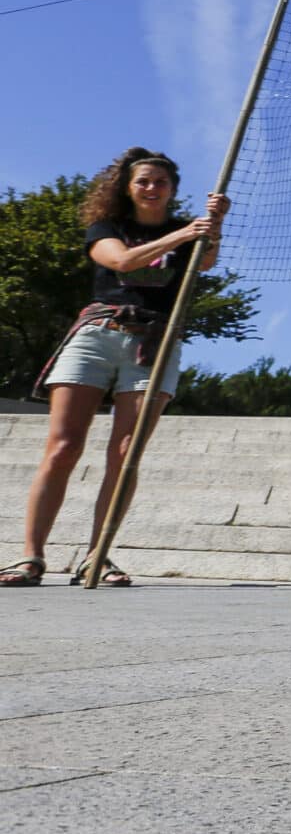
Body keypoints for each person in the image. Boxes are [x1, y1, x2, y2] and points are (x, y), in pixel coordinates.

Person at [6, 149, 229, 589]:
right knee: (63, 448)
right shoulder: (108, 228)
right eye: (143, 181)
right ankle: (30, 555)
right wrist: (186, 232)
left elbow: (204, 262)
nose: (151, 188)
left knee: (126, 454)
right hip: (97, 333)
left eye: (160, 182)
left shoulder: (187, 233)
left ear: (172, 189)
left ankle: (97, 556)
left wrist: (214, 225)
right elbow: (123, 261)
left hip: (156, 342)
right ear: (127, 187)